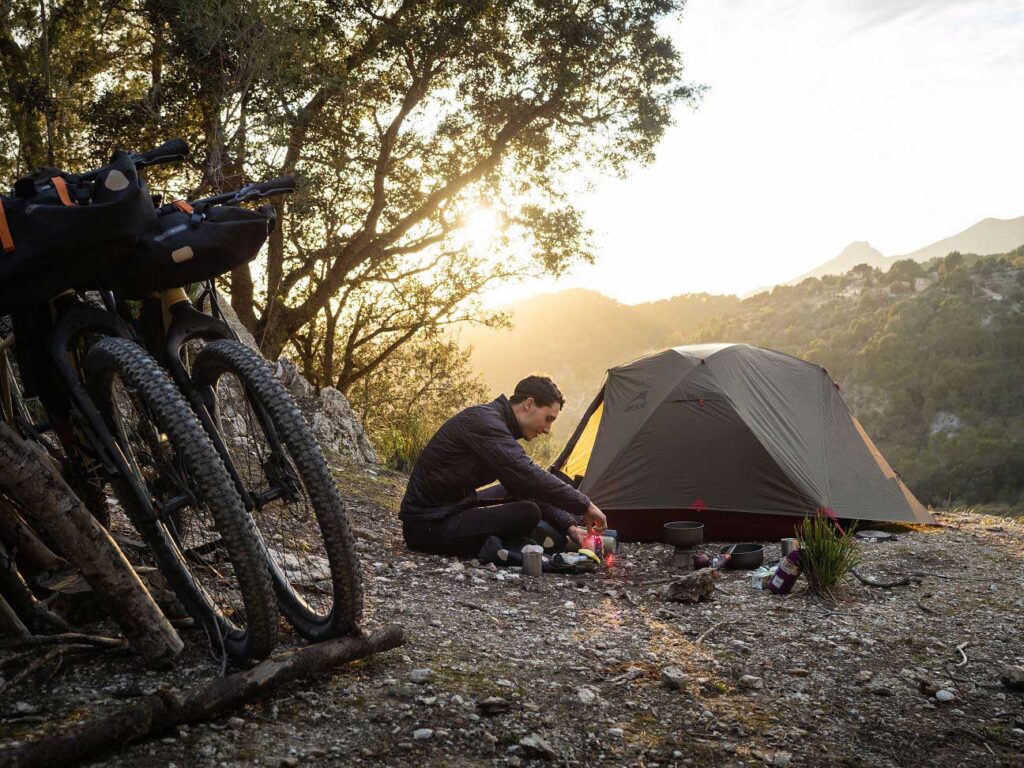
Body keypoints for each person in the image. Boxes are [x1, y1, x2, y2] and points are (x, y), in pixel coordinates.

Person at [400, 375, 607, 562]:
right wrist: (584, 504)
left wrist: (569, 525)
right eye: (548, 418)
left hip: (452, 509)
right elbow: (528, 474)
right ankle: (513, 548)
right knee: (528, 512)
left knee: (518, 495)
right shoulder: (485, 423)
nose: (547, 429)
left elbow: (525, 485)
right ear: (529, 404)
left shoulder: (495, 422)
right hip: (427, 526)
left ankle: (516, 543)